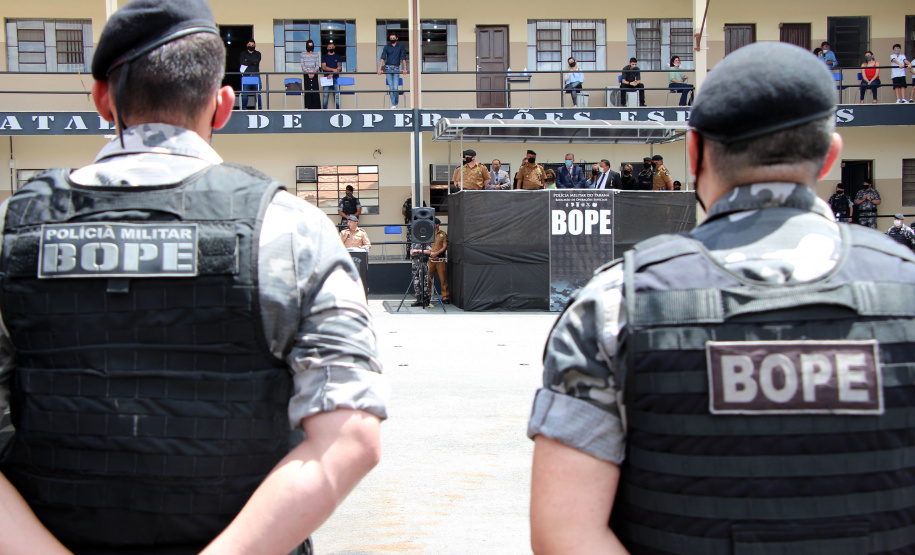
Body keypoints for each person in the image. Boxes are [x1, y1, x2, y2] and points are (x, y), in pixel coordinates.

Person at [0, 2, 387, 553]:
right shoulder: (291, 229)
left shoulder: (14, 230)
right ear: (223, 105)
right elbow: (350, 437)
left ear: (101, 99)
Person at [529, 41, 915, 555]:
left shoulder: (616, 303)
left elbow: (565, 534)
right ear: (829, 157)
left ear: (693, 152)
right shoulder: (905, 287)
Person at [378, 32, 407, 109]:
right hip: (388, 68)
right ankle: (394, 104)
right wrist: (380, 69)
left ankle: (395, 103)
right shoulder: (387, 47)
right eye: (391, 38)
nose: (392, 40)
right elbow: (382, 57)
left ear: (396, 38)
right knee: (391, 87)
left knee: (395, 88)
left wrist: (405, 68)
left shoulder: (400, 46)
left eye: (393, 38)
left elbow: (403, 57)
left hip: (396, 68)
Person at [427, 218, 449, 304]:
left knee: (443, 279)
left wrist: (437, 253)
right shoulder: (429, 234)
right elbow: (426, 246)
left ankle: (445, 297)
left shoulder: (443, 234)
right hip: (431, 258)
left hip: (440, 259)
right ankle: (427, 296)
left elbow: (445, 246)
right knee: (428, 279)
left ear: (437, 225)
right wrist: (432, 254)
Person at [239, 38, 262, 110]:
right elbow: (242, 62)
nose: (251, 46)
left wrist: (247, 60)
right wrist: (252, 62)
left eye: (252, 45)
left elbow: (256, 61)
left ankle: (260, 108)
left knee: (258, 93)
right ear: (247, 45)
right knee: (245, 94)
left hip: (256, 75)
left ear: (255, 45)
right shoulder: (243, 54)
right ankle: (244, 108)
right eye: (249, 45)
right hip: (246, 76)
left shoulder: (258, 53)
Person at [409, 240, 432, 307]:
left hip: (422, 263)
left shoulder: (425, 240)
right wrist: (411, 252)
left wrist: (418, 250)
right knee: (416, 282)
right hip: (414, 263)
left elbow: (429, 251)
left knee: (423, 282)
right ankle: (419, 299)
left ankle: (425, 299)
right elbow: (411, 251)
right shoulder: (413, 241)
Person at [300, 39, 321, 109]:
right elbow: (302, 65)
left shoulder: (316, 54)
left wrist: (313, 73)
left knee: (315, 90)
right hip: (306, 74)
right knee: (308, 90)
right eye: (309, 45)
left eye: (311, 45)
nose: (310, 47)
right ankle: (308, 106)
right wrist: (308, 73)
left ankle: (316, 107)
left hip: (314, 74)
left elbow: (317, 65)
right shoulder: (303, 54)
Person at [321, 40, 342, 110]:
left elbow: (339, 67)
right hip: (326, 78)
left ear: (334, 47)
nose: (331, 48)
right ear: (327, 48)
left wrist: (332, 74)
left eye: (332, 47)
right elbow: (323, 67)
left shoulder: (338, 56)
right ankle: (324, 111)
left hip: (335, 78)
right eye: (330, 47)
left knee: (337, 95)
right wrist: (333, 70)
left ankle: (338, 110)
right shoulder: (324, 56)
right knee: (325, 95)